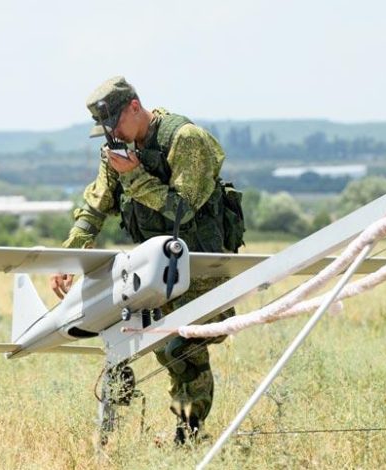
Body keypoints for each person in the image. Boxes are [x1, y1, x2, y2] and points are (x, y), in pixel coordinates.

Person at [50, 76, 243, 445]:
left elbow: (182, 211)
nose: (112, 134)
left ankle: (189, 437)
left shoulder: (186, 139)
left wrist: (134, 176)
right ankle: (133, 433)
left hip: (201, 269)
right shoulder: (116, 148)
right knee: (130, 340)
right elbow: (95, 205)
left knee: (182, 349)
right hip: (154, 273)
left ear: (135, 107)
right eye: (105, 129)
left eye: (115, 124)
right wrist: (71, 253)